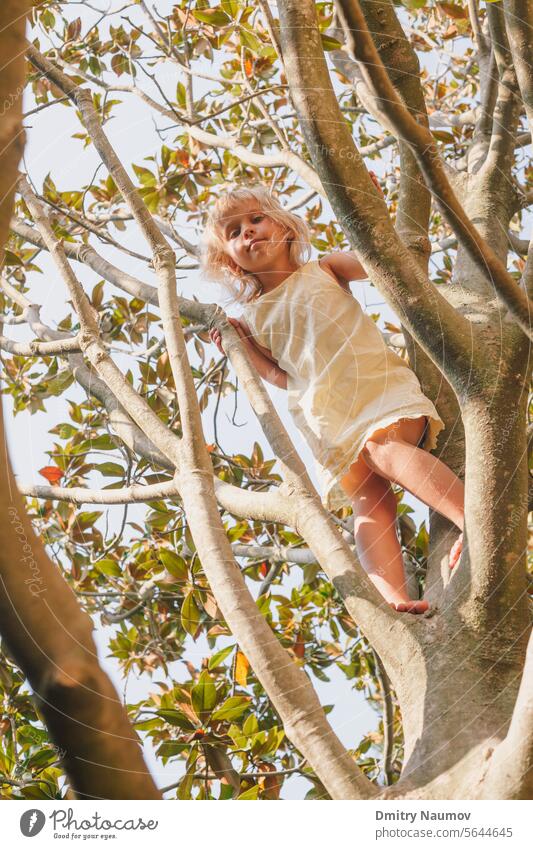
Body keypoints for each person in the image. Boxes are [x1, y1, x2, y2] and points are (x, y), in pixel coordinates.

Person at [201, 183, 464, 614]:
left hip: (373, 389)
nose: (246, 233)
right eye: (233, 232)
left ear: (285, 228)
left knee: (383, 448)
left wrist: (379, 230)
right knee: (367, 498)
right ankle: (394, 599)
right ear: (228, 259)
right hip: (326, 415)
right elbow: (281, 376)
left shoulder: (324, 268)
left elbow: (381, 267)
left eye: (255, 220)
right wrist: (241, 344)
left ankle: (469, 518)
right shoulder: (254, 316)